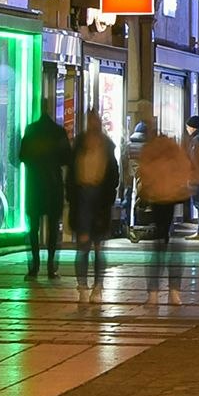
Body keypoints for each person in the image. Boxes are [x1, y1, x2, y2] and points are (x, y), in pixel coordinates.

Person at [135, 126, 193, 305]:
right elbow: (185, 172)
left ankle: (153, 293)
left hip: (158, 201)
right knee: (171, 245)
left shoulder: (151, 152)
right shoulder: (172, 151)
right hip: (170, 200)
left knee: (157, 247)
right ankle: (173, 291)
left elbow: (143, 175)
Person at [68, 111, 119, 304]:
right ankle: (82, 286)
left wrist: (109, 197)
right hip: (82, 197)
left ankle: (97, 286)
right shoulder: (79, 145)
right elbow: (71, 176)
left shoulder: (106, 146)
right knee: (83, 245)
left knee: (98, 245)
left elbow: (113, 175)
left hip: (100, 198)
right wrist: (71, 197)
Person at [17, 110, 72, 279]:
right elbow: (67, 158)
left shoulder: (31, 130)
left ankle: (34, 266)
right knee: (53, 227)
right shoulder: (58, 132)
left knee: (33, 227)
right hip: (53, 184)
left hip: (34, 184)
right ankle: (51, 266)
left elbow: (22, 156)